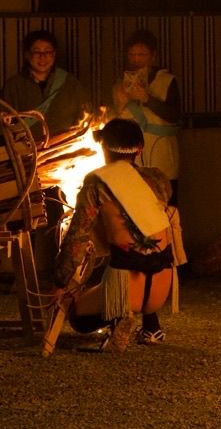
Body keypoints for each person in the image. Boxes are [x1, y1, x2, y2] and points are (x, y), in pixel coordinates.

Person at [54, 118, 179, 349]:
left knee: (77, 317)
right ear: (140, 149)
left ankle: (119, 317)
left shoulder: (96, 182)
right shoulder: (158, 180)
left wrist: (60, 279)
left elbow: (77, 238)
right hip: (163, 283)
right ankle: (152, 327)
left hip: (125, 285)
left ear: (103, 148)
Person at [111, 30, 183, 198]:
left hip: (161, 154)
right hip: (129, 158)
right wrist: (119, 106)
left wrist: (147, 98)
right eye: (132, 54)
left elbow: (174, 115)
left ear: (153, 56)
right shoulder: (119, 86)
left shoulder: (167, 81)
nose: (136, 59)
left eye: (142, 54)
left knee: (165, 205)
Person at [0, 29, 91, 137]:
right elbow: (3, 121)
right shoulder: (13, 86)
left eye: (47, 51)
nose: (42, 57)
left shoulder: (70, 83)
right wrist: (4, 119)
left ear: (54, 54)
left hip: (65, 147)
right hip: (26, 149)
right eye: (36, 52)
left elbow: (85, 115)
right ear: (27, 55)